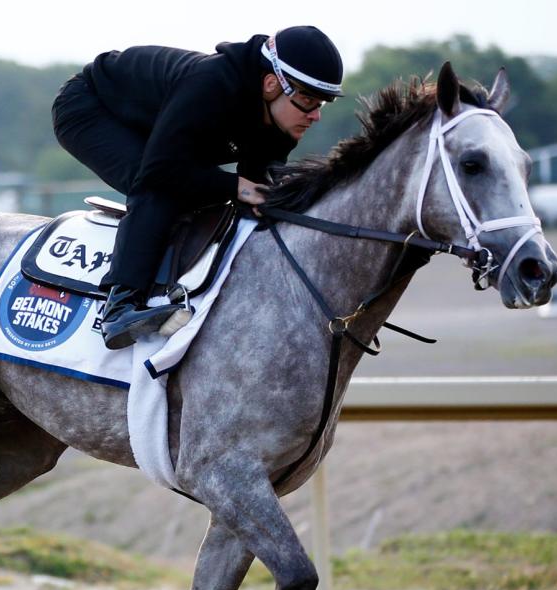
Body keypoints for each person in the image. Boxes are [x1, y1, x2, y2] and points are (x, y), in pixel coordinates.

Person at [52, 26, 344, 349]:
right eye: (307, 99)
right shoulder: (212, 85)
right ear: (271, 83)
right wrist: (239, 187)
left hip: (154, 127)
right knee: (161, 189)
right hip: (89, 108)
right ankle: (120, 304)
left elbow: (259, 191)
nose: (314, 115)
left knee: (221, 194)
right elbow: (161, 171)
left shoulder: (282, 121)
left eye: (322, 104)